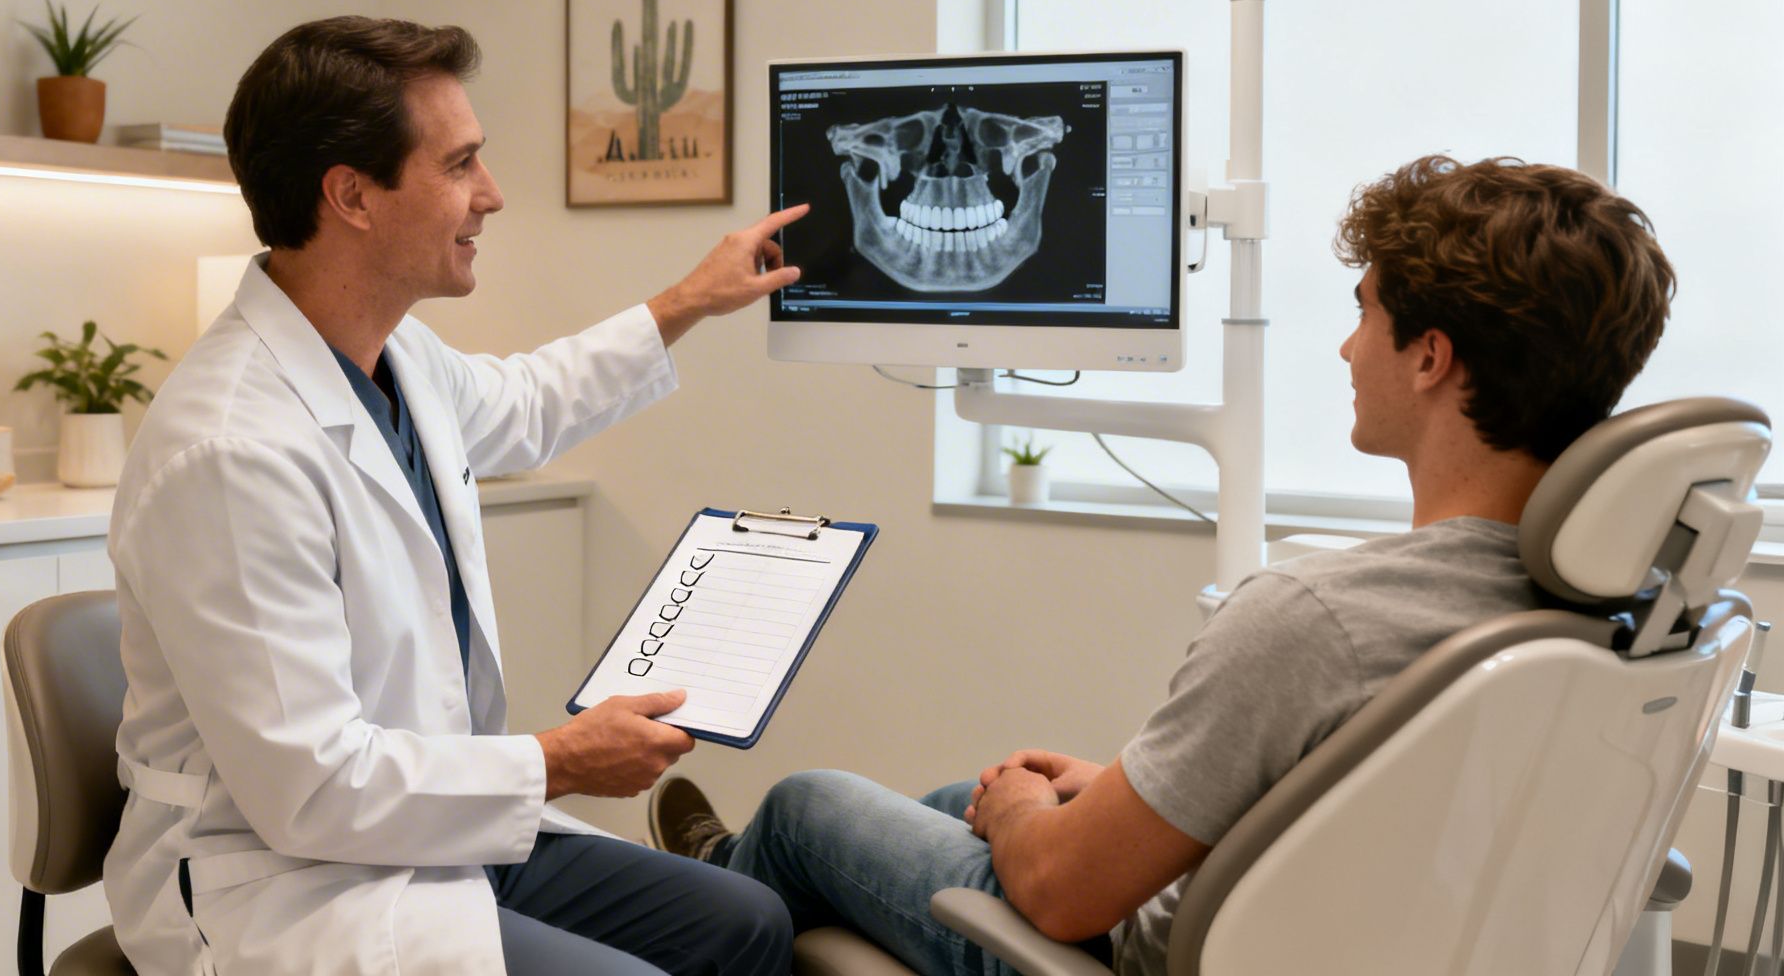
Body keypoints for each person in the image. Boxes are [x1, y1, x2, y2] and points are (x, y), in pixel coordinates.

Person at [647, 154, 1678, 976]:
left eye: (1364, 311)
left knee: (804, 809)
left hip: (1135, 952)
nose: (1345, 349)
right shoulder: (1610, 608)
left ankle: (707, 899)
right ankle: (743, 887)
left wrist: (1023, 821)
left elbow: (1055, 895)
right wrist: (1094, 795)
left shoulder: (1315, 616)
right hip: (1352, 927)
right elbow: (1381, 812)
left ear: (1428, 356)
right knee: (952, 795)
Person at [106, 16, 806, 976]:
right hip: (280, 874)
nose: (493, 195)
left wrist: (690, 299)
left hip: (428, 828)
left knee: (750, 922)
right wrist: (557, 760)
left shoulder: (395, 357)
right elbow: (310, 790)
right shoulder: (230, 450)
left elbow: (528, 400)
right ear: (352, 195)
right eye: (461, 165)